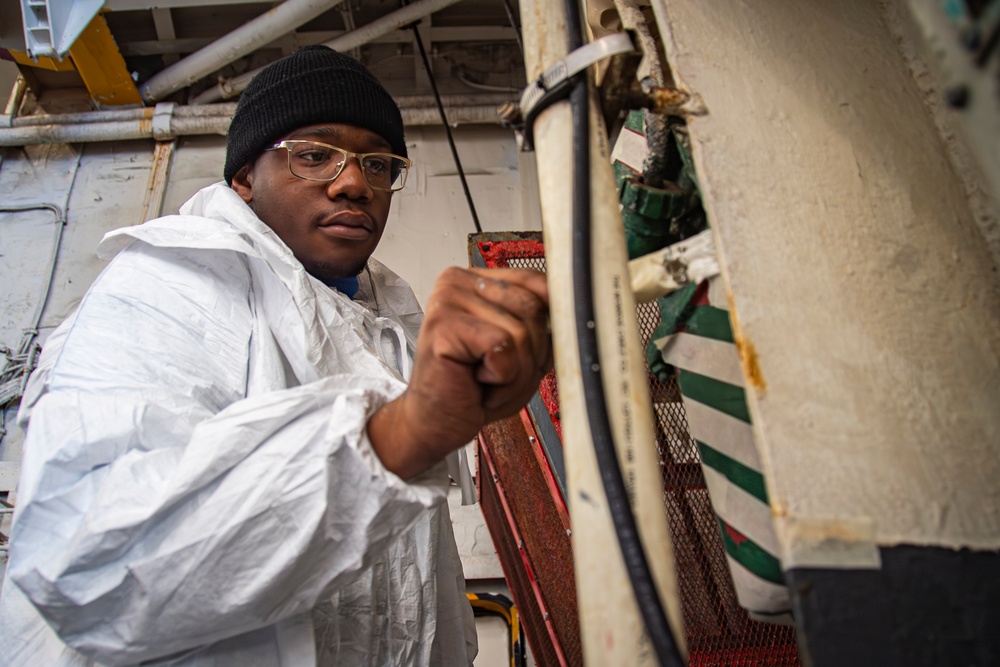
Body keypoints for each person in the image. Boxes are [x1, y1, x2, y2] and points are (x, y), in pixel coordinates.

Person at [0, 45, 551, 666]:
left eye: (378, 164)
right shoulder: (169, 284)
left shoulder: (383, 319)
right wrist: (400, 432)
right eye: (314, 155)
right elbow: (92, 570)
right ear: (243, 177)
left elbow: (412, 588)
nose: (354, 184)